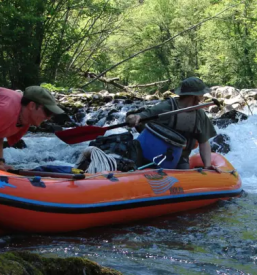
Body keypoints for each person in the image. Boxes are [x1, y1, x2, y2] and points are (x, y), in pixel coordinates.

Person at [126, 77, 217, 169]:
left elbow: (204, 142)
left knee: (183, 174)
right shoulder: (166, 107)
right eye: (201, 94)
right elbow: (141, 115)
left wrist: (208, 165)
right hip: (151, 153)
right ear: (195, 95)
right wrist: (133, 117)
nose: (202, 97)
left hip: (179, 158)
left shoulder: (200, 115)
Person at [0, 86, 64, 171]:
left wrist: (1, 163)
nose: (49, 118)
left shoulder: (24, 121)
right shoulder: (6, 111)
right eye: (47, 112)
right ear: (32, 106)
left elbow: (1, 135)